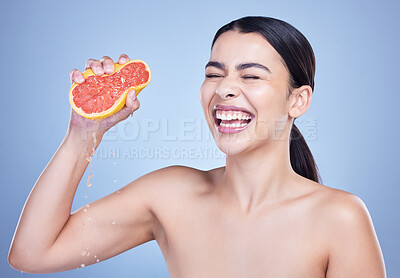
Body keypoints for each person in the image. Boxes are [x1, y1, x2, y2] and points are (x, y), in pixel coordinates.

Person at [8, 16, 386, 277]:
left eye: (251, 75)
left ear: (298, 101)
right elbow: (33, 254)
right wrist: (83, 134)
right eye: (213, 74)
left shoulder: (340, 218)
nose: (224, 89)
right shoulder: (170, 195)